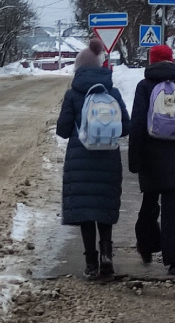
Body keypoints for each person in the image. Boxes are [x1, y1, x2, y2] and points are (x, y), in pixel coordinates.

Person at [56, 39, 130, 279]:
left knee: (86, 212)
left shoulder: (73, 94)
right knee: (103, 209)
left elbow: (63, 130)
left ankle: (90, 263)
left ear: (78, 68)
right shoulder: (112, 91)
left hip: (80, 161)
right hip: (108, 159)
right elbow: (126, 127)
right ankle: (106, 255)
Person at [128, 44, 175, 276]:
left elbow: (138, 124)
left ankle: (147, 245)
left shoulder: (144, 86)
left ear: (151, 61)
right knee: (174, 204)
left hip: (150, 156)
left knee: (150, 202)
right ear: (171, 60)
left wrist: (134, 159)